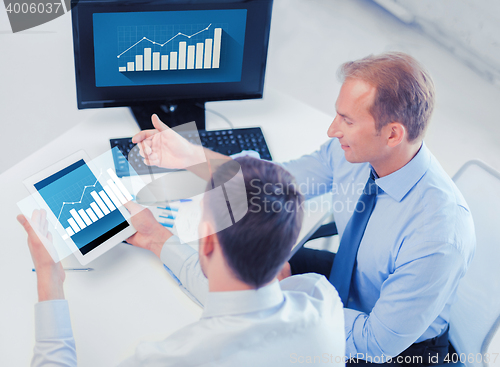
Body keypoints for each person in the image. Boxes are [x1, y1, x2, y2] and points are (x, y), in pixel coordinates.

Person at [133, 52, 476, 365]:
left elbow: (376, 342)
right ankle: (156, 239)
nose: (332, 129)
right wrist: (190, 155)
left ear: (392, 134)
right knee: (241, 267)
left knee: (244, 294)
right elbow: (270, 186)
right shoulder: (355, 154)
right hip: (352, 281)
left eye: (347, 120)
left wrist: (276, 302)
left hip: (398, 351)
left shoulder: (439, 234)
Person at [18, 156, 346, 367]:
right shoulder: (321, 299)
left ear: (206, 243)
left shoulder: (173, 358)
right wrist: (158, 238)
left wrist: (48, 277)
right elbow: (242, 301)